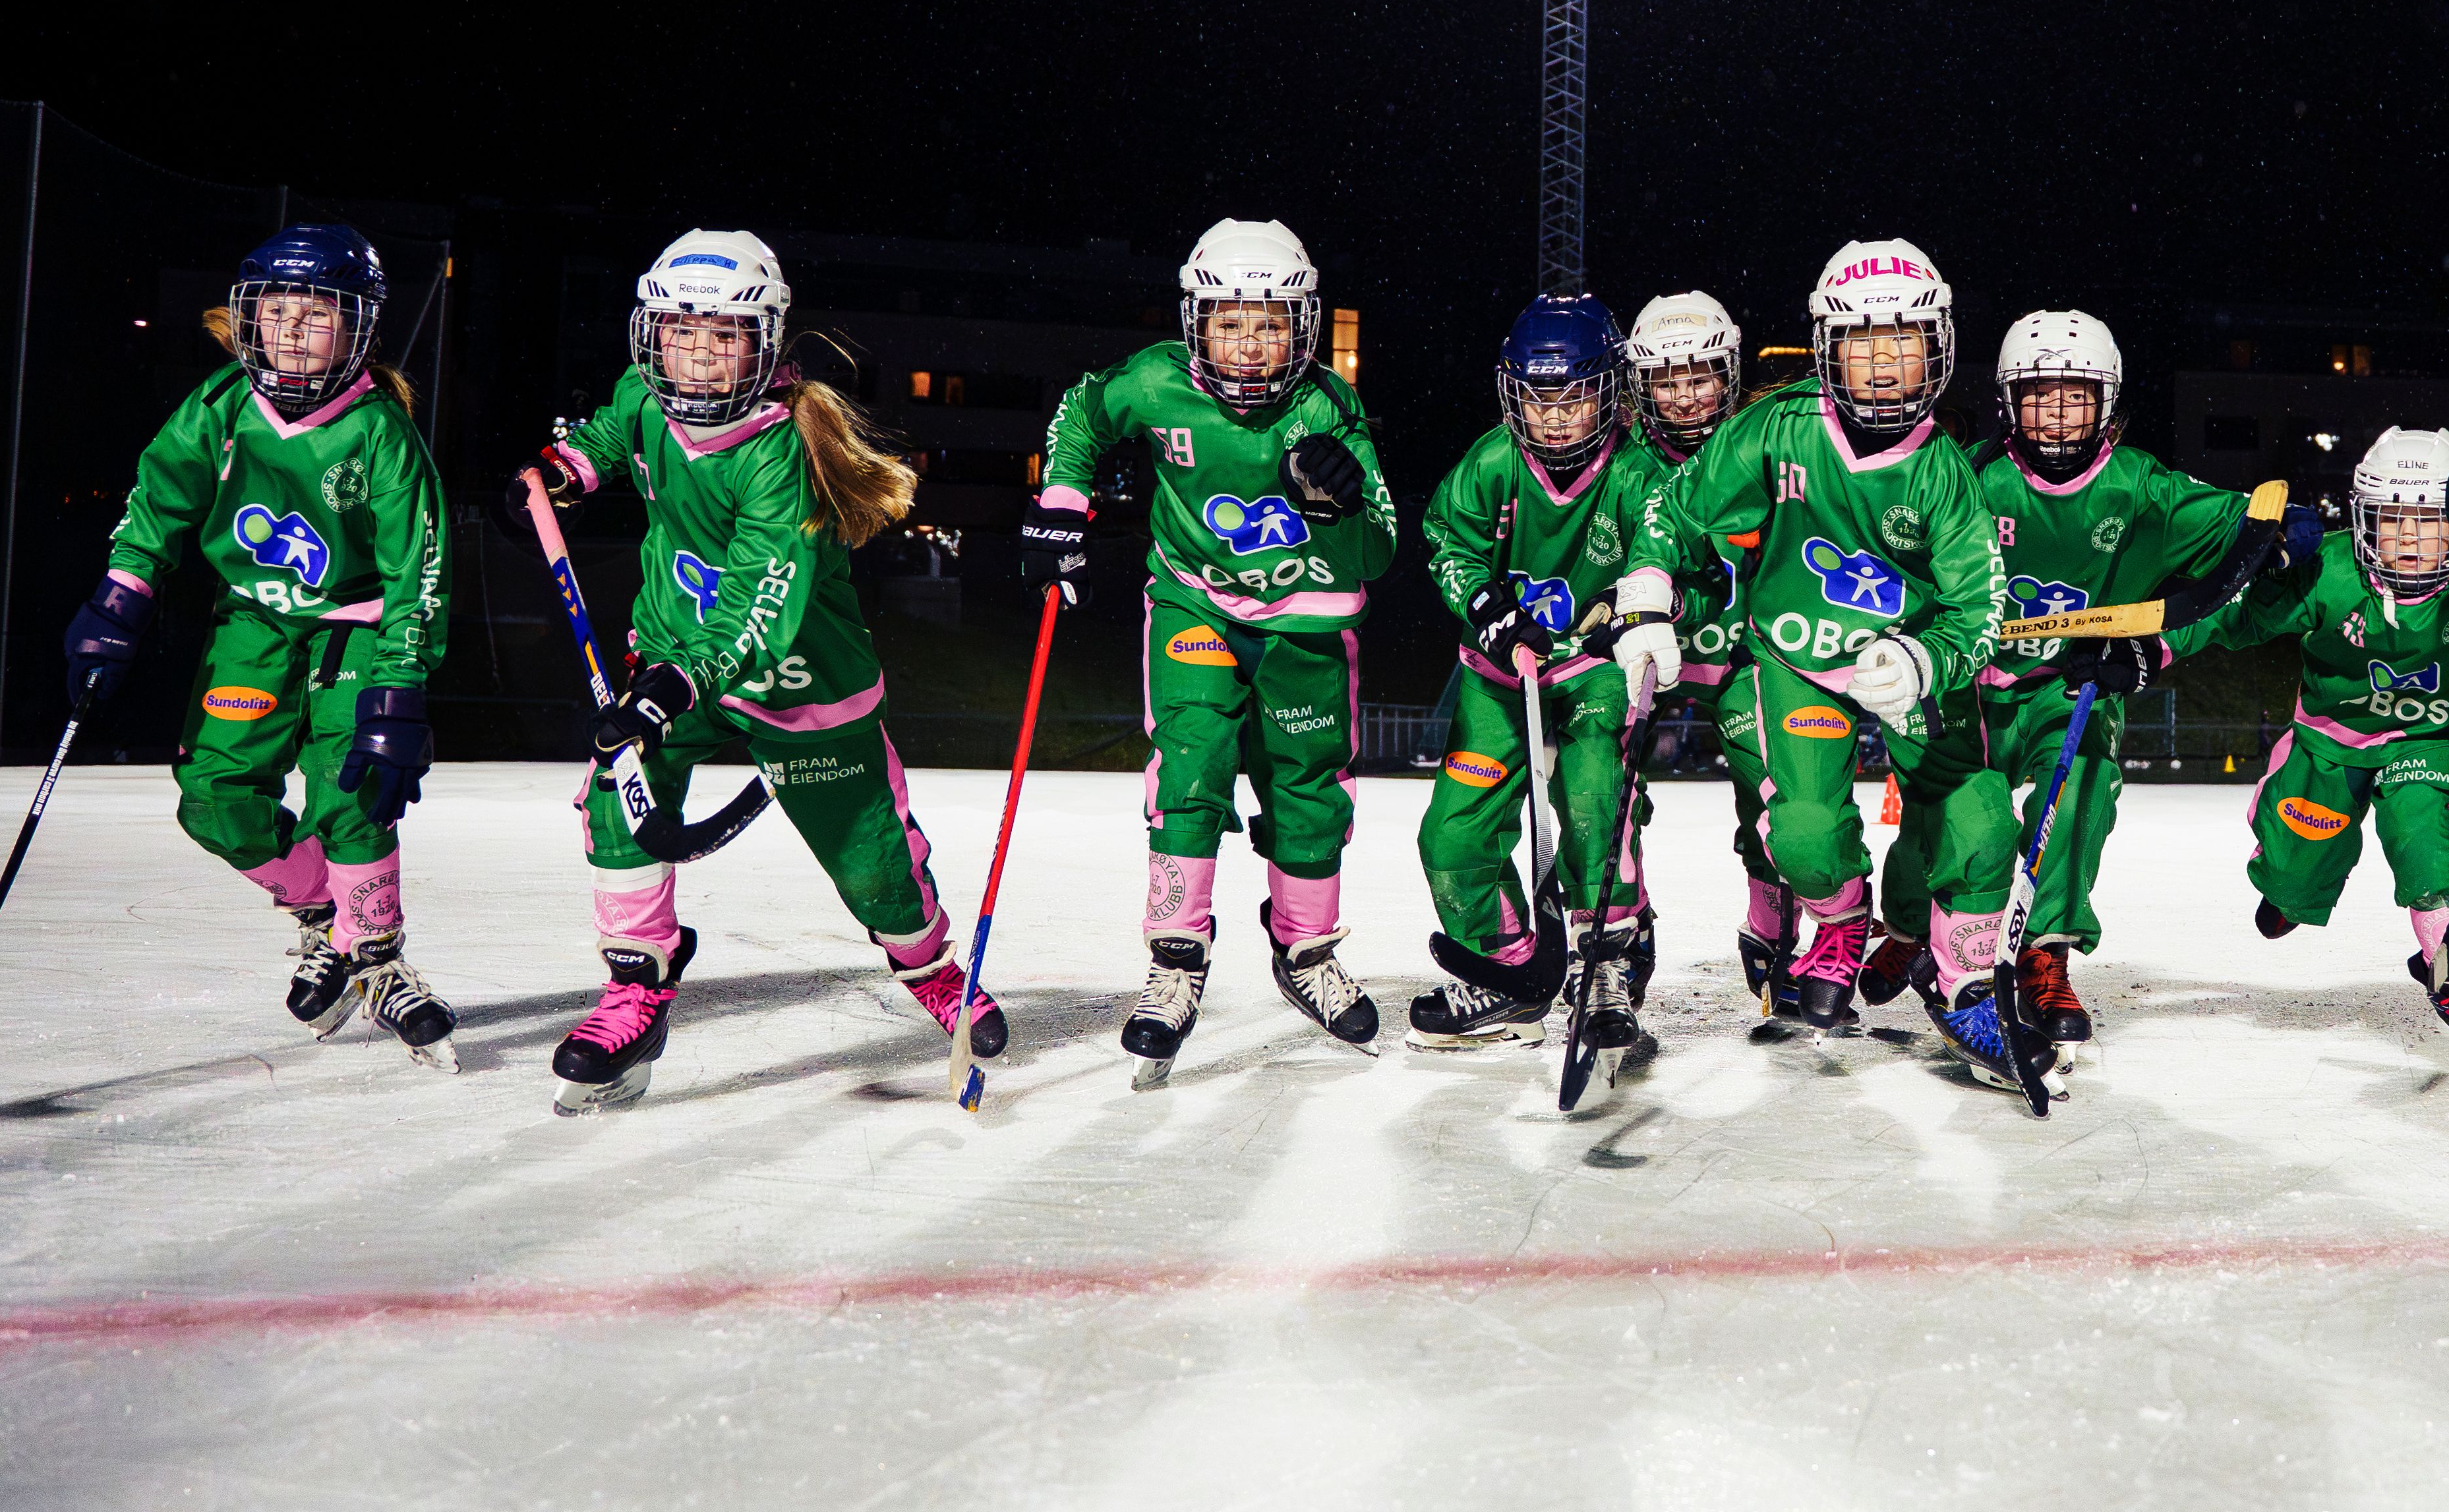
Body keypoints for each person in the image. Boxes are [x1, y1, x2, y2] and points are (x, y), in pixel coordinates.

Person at [508, 230, 992, 1112]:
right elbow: (617, 426)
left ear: (764, 343)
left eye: (722, 333)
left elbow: (759, 603)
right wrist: (567, 467)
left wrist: (674, 681)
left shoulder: (782, 454)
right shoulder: (644, 397)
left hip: (796, 680)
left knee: (873, 869)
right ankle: (637, 984)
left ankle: (932, 971)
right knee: (620, 803)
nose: (695, 351)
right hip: (672, 661)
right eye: (678, 329)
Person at [69, 225, 454, 1061]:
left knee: (350, 793)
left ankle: (377, 959)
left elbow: (417, 570)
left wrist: (398, 687)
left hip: (357, 631)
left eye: (313, 315)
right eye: (274, 312)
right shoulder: (219, 409)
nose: (287, 331)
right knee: (212, 798)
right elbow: (158, 506)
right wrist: (117, 602)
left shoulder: (381, 433)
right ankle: (331, 918)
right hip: (253, 623)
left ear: (358, 328)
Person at [1028, 219, 1398, 1078]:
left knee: (1308, 784)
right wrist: (1060, 498)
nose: (1250, 342)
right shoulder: (1156, 381)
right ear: (1196, 321)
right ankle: (1176, 957)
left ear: (1303, 327)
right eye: (1230, 320)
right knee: (1189, 764)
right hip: (1196, 605)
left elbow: (1379, 544)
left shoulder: (1327, 406)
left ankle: (1305, 952)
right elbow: (1084, 412)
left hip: (1305, 619)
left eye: (1270, 322)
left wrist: (1333, 500)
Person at [1612, 241, 2001, 1039]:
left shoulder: (1947, 473)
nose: (1886, 365)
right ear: (1829, 347)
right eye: (1863, 342)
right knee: (1803, 839)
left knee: (1981, 822)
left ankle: (1969, 984)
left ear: (1939, 347)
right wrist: (1648, 598)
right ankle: (1840, 918)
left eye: (1906, 341)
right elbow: (1675, 508)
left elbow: (1981, 612)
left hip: (1909, 666)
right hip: (1798, 666)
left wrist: (1928, 658)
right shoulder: (1776, 430)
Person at [1866, 309, 2257, 1064]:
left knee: (2082, 792)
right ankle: (1909, 925)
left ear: (2107, 402)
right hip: (1967, 688)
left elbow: (2241, 548)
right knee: (1935, 816)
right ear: (2010, 400)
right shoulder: (1970, 476)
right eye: (2040, 394)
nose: (2057, 413)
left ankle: (2048, 950)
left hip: (2066, 689)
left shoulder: (2141, 487)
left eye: (2076, 396)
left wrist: (2295, 527)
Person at [2195, 428, 2449, 1072]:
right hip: (2336, 741)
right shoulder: (2331, 567)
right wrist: (2156, 638)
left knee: (2424, 841)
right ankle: (2289, 881)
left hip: (2429, 745)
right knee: (2297, 866)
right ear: (2363, 520)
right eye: (2394, 522)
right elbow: (2232, 614)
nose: (2411, 542)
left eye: (2431, 523)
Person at [1405, 295, 1663, 1058]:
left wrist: (1645, 600)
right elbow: (1448, 541)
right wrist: (1482, 601)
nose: (1555, 417)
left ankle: (1608, 958)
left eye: (1576, 394)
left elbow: (1663, 544)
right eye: (1538, 396)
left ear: (1611, 389)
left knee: (1591, 803)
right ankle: (1512, 969)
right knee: (1450, 837)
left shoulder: (1638, 471)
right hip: (1496, 678)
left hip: (1591, 674)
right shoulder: (1492, 462)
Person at [1624, 291, 1788, 1006]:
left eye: (1700, 377)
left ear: (1728, 371)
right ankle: (1620, 929)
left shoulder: (1768, 442)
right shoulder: (1619, 456)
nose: (1686, 397)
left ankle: (1771, 929)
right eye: (1667, 380)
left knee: (1770, 794)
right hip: (1648, 647)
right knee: (1604, 781)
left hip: (1742, 651)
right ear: (1640, 384)